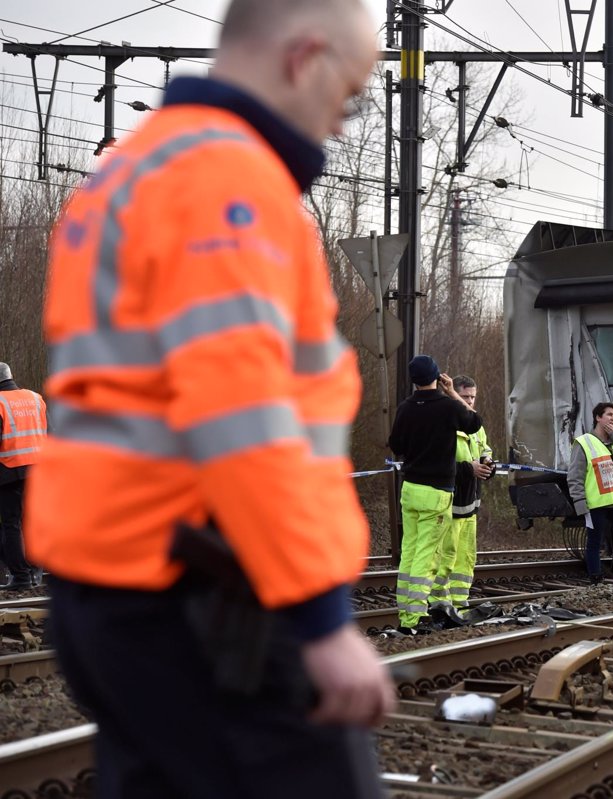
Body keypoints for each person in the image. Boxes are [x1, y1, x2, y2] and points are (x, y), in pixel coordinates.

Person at [25, 1, 394, 796]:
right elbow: (242, 413)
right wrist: (322, 618)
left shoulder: (130, 170)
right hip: (208, 590)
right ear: (306, 59)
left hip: (109, 584)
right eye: (354, 94)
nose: (342, 121)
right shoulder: (229, 181)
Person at [388, 357, 481, 632]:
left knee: (409, 552)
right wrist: (452, 392)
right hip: (437, 492)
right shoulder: (447, 406)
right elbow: (474, 422)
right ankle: (414, 618)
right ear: (437, 377)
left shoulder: (405, 408)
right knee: (426, 556)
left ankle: (404, 612)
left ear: (413, 380)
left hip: (410, 489)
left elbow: (396, 445)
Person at [429, 375, 493, 611]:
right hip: (449, 503)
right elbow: (435, 463)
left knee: (466, 558)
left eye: (473, 397)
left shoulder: (475, 424)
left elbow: (485, 448)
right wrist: (470, 469)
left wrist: (488, 462)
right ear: (452, 394)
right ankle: (439, 603)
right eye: (465, 397)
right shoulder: (444, 422)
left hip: (470, 504)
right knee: (445, 557)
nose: (470, 402)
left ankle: (460, 602)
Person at [566, 401, 613, 584]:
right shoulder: (584, 442)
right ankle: (596, 579)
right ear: (598, 418)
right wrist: (579, 502)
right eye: (609, 415)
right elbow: (574, 475)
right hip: (595, 504)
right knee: (594, 542)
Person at [0, 362, 46, 591]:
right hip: (39, 468)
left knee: (11, 524)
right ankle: (35, 572)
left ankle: (20, 577)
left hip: (9, 469)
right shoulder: (36, 398)